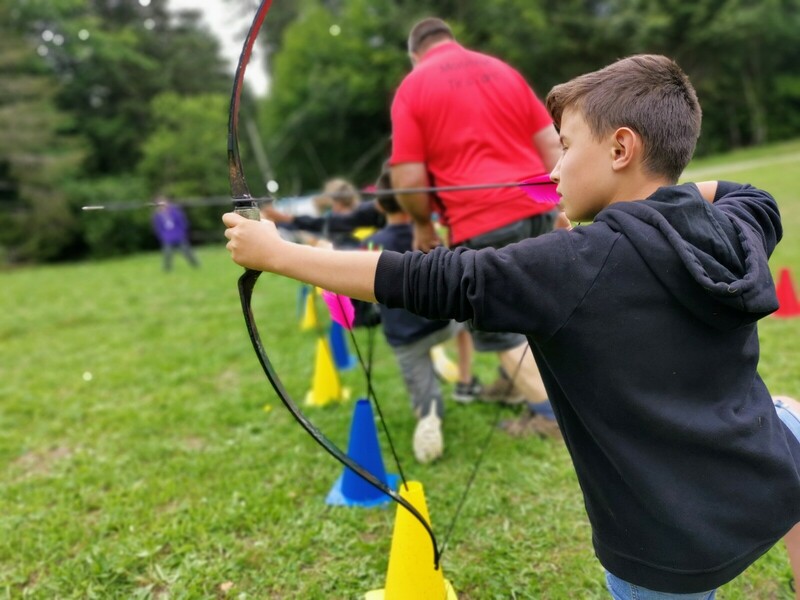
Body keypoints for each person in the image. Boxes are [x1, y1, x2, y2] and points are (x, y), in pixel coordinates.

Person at [224, 54, 800, 597]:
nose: (554, 167)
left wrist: (278, 255)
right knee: (785, 414)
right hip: (760, 482)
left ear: (622, 147)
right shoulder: (737, 227)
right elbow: (749, 195)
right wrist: (650, 208)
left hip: (669, 552)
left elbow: (427, 278)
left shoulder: (570, 265)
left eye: (567, 146)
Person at [388, 17, 566, 436]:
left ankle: (549, 417)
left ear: (415, 55)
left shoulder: (413, 87)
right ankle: (515, 384)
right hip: (537, 206)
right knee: (542, 305)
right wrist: (558, 201)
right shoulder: (501, 70)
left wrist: (421, 225)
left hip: (480, 221)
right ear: (452, 40)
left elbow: (409, 178)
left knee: (501, 330)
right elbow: (552, 144)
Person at [357, 167, 478, 463]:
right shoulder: (432, 236)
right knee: (464, 327)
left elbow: (358, 288)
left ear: (379, 205)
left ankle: (430, 419)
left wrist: (364, 318)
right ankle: (465, 379)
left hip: (407, 338)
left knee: (428, 407)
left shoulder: (371, 244)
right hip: (444, 323)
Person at [262, 178, 385, 249]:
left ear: (337, 202)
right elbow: (320, 224)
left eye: (332, 203)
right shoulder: (351, 217)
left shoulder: (360, 215)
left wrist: (286, 219)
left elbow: (320, 224)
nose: (333, 209)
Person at [151, 196, 199, 272]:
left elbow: (183, 222)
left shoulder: (175, 211)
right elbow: (157, 228)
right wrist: (162, 237)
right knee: (167, 254)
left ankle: (196, 266)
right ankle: (167, 270)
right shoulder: (157, 216)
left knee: (187, 252)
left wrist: (182, 233)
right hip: (167, 238)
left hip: (178, 236)